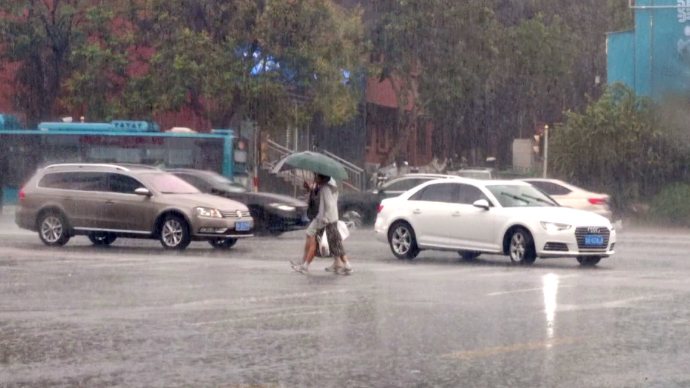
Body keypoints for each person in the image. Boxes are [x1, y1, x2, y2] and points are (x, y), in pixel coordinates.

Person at [291, 174, 352, 275]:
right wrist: (310, 188)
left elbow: (329, 204)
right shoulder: (327, 187)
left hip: (326, 220)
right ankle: (305, 265)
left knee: (329, 243)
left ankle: (305, 265)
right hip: (324, 218)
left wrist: (326, 218)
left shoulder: (326, 189)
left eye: (316, 176)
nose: (314, 178)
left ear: (322, 178)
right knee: (335, 244)